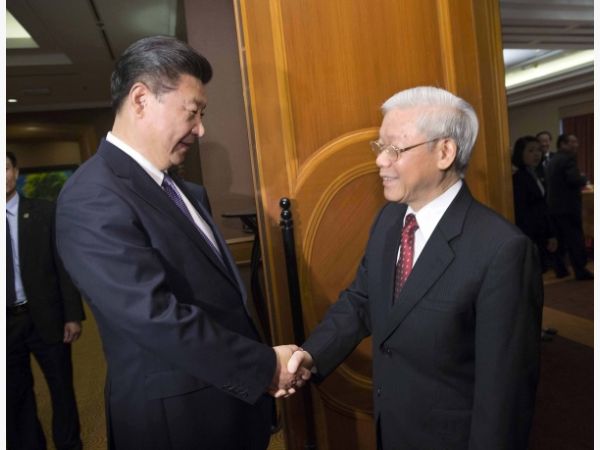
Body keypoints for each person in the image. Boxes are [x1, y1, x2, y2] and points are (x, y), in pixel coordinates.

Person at [55, 36, 308, 450]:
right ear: (141, 99)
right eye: (192, 112)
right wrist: (263, 367)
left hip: (226, 402)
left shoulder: (185, 190)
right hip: (176, 423)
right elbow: (154, 316)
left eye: (202, 115)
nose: (201, 129)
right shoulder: (92, 195)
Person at [288, 87, 543, 450]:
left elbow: (504, 395)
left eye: (395, 149)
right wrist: (310, 355)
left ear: (444, 152)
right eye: (380, 147)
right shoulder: (389, 220)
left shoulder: (503, 250)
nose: (380, 161)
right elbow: (362, 300)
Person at [6, 151, 84, 450]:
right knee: (15, 395)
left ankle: (69, 444)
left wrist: (72, 315)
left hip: (47, 317)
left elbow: (63, 265)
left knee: (62, 390)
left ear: (16, 172)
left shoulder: (45, 212)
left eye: (6, 168)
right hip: (6, 324)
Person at [545, 133, 593, 280]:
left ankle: (561, 270)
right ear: (563, 144)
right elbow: (574, 179)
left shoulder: (553, 160)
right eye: (572, 142)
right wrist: (583, 178)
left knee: (560, 240)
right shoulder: (568, 159)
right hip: (568, 206)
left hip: (554, 205)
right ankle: (580, 270)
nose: (576, 145)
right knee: (575, 239)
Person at [511, 136, 558, 273]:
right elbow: (523, 211)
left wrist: (550, 233)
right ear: (520, 153)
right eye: (531, 150)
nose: (537, 154)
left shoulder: (535, 174)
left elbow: (542, 206)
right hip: (529, 234)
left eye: (538, 150)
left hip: (540, 232)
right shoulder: (518, 178)